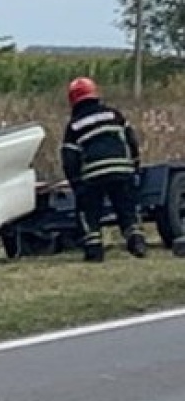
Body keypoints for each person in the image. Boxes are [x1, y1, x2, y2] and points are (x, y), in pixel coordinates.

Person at [60, 76, 146, 263]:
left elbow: (69, 158)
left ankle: (94, 251)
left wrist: (76, 184)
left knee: (89, 213)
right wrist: (135, 166)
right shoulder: (114, 115)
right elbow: (131, 140)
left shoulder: (74, 125)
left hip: (93, 175)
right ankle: (136, 241)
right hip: (122, 170)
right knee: (127, 208)